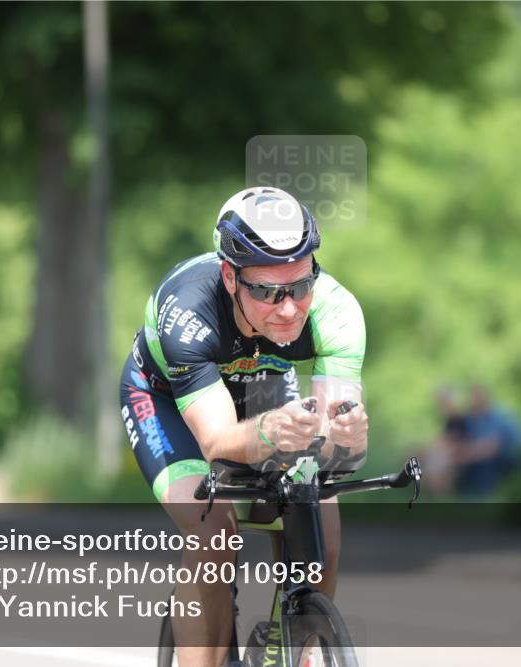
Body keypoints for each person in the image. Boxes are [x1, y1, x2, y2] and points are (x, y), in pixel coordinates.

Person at [119, 186, 369, 667]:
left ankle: (292, 649)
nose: (289, 308)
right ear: (230, 277)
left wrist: (348, 439)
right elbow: (217, 441)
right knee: (213, 531)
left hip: (263, 389)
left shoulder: (337, 313)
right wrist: (272, 433)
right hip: (167, 401)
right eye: (267, 292)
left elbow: (335, 443)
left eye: (300, 286)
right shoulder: (187, 311)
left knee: (320, 530)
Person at [453, 384, 521, 498]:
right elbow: (461, 441)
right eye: (473, 397)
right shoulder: (470, 420)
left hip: (509, 456)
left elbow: (493, 446)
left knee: (485, 460)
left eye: (478, 396)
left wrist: (465, 456)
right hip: (477, 458)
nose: (475, 400)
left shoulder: (500, 415)